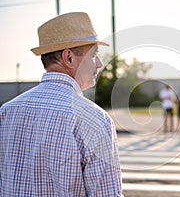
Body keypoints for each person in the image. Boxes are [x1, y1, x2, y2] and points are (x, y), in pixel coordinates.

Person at [0, 12, 123, 196]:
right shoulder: (95, 120)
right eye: (94, 55)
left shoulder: (6, 111)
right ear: (69, 58)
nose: (99, 63)